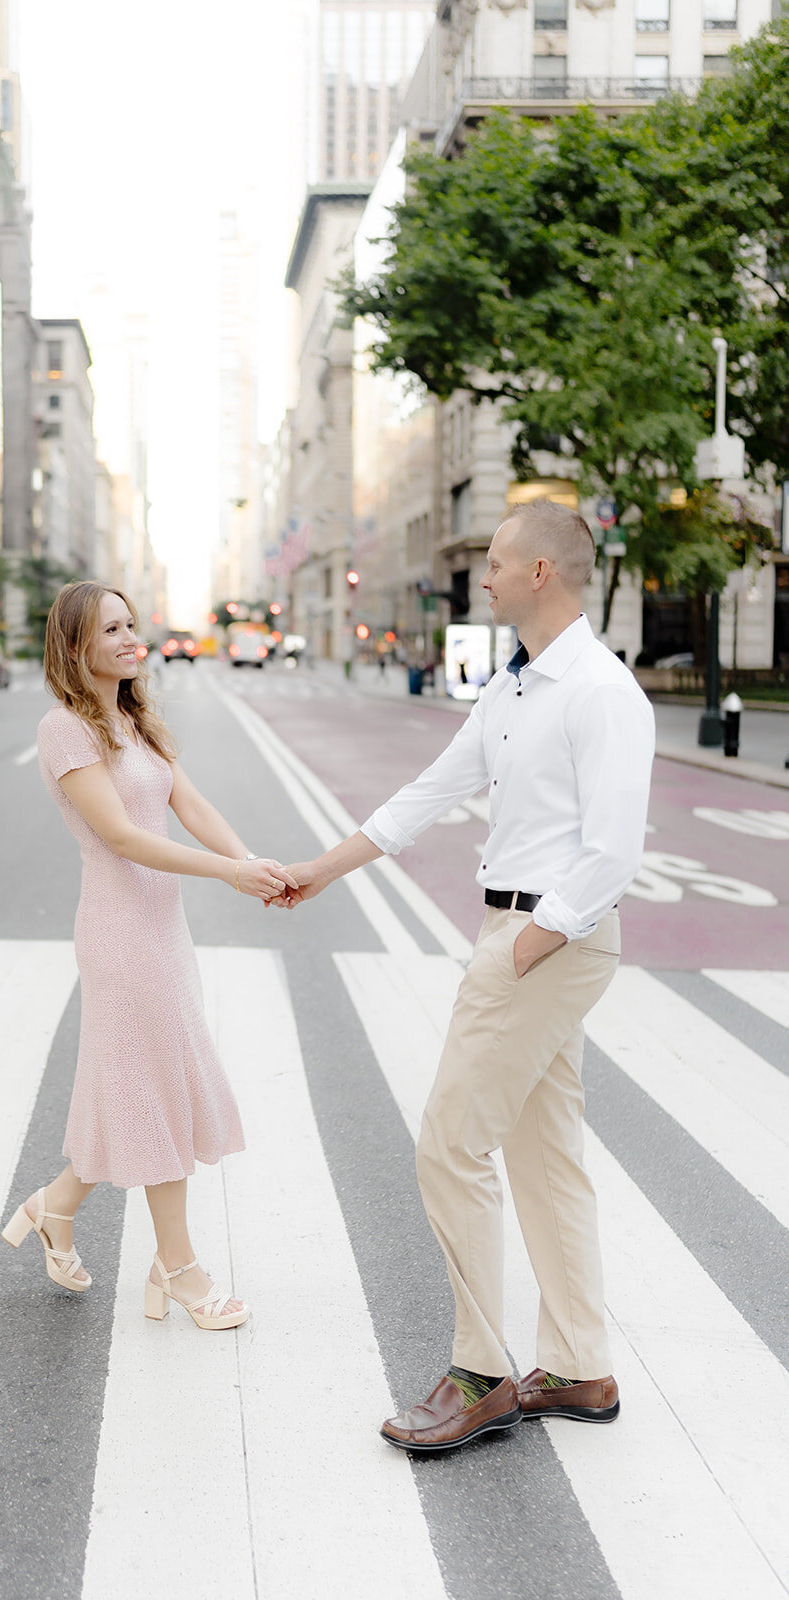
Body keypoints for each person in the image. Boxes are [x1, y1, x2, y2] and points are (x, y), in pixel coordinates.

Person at [274, 500, 654, 1451]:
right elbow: (428, 793)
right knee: (542, 1153)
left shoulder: (602, 693)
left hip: (549, 939)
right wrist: (323, 868)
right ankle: (577, 1366)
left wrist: (534, 942)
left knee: (448, 1144)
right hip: (515, 926)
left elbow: (611, 852)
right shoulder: (513, 687)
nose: (480, 574)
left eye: (494, 561)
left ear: (541, 574)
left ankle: (480, 1372)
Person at [2, 580, 296, 1330]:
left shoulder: (134, 722)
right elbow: (124, 839)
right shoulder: (65, 730)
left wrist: (255, 866)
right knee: (156, 1088)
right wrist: (228, 874)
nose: (133, 638)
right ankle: (180, 1268)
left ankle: (53, 1208)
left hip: (161, 930)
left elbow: (188, 806)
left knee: (135, 1086)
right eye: (113, 629)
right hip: (119, 933)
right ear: (75, 648)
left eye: (133, 624)